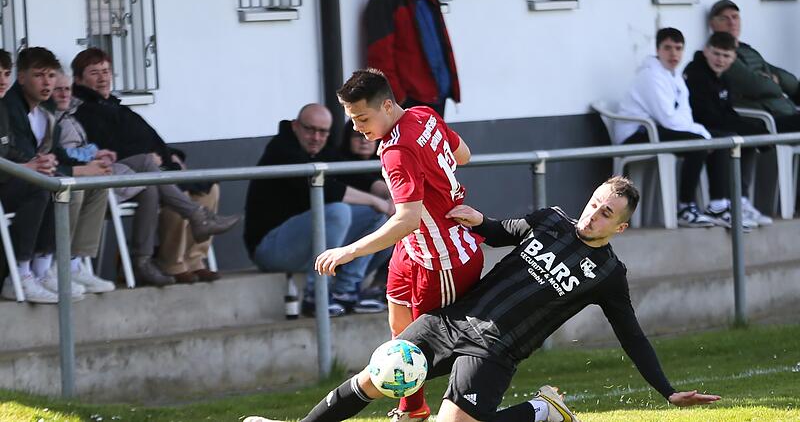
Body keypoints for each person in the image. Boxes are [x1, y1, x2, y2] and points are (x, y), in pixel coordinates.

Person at [248, 177, 721, 422]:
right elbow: (501, 232)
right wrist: (479, 220)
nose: (594, 215)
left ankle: (541, 412)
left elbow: (632, 336)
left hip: (494, 350)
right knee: (376, 376)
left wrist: (667, 390)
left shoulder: (609, 274)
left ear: (620, 227)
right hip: (449, 321)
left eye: (606, 214)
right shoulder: (551, 220)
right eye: (595, 203)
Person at [316, 69, 483, 421]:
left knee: (434, 347)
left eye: (362, 118)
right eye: (352, 120)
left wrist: (349, 251)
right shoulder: (424, 113)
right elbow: (464, 154)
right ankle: (413, 409)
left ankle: (477, 406)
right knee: (399, 333)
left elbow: (406, 218)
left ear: (387, 105)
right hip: (413, 248)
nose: (358, 128)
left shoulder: (395, 150)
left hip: (443, 257)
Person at [70, 48, 240, 286]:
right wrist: (149, 158)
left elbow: (152, 138)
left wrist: (172, 157)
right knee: (175, 191)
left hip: (152, 168)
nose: (103, 78)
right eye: (94, 73)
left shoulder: (117, 107)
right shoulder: (84, 112)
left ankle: (194, 259)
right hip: (122, 175)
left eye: (106, 71)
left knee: (208, 189)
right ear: (78, 80)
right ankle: (172, 261)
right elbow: (107, 148)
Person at [244, 103, 391, 317]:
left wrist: (386, 194)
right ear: (295, 126)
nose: (316, 137)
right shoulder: (282, 149)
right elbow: (329, 189)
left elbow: (351, 175)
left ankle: (344, 292)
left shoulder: (322, 147)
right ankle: (315, 296)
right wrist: (375, 200)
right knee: (337, 211)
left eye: (322, 132)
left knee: (382, 217)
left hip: (304, 244)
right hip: (269, 248)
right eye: (310, 129)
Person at [2, 47, 116, 301]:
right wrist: (77, 169)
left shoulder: (47, 110)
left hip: (34, 179)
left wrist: (89, 159)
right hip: (12, 183)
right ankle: (26, 271)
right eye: (39, 75)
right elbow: (20, 158)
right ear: (21, 78)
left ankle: (72, 263)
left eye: (51, 76)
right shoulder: (9, 108)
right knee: (55, 188)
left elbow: (53, 154)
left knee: (98, 183)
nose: (47, 83)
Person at [615, 28, 730, 229]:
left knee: (721, 140)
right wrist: (700, 135)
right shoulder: (650, 76)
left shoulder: (675, 76)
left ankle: (718, 205)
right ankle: (685, 208)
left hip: (656, 129)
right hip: (636, 134)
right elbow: (667, 118)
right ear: (657, 50)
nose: (673, 54)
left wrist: (701, 132)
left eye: (678, 48)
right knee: (698, 144)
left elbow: (684, 114)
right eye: (667, 48)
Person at [683, 31, 773, 227]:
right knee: (735, 137)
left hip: (717, 124)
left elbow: (726, 111)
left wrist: (751, 129)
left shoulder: (723, 78)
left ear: (733, 59)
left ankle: (740, 201)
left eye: (726, 56)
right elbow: (703, 114)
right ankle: (721, 204)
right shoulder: (696, 73)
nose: (720, 60)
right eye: (716, 54)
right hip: (698, 127)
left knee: (752, 136)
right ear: (706, 51)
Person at [0, 49, 61, 303]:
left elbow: (5, 149)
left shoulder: (2, 106)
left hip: (7, 180)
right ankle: (20, 276)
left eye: (5, 73)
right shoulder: (9, 106)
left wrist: (35, 163)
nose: (3, 80)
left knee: (56, 186)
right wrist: (28, 167)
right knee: (39, 187)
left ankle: (42, 268)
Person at [52, 70, 117, 293]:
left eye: (66, 89)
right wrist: (86, 164)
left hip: (69, 172)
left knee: (100, 185)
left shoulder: (71, 113)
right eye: (57, 89)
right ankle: (57, 263)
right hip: (49, 180)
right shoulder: (48, 116)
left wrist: (94, 155)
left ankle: (75, 263)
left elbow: (76, 148)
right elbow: (61, 154)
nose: (63, 94)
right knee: (74, 190)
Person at [365, 0, 459, 116]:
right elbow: (380, 58)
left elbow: (440, 44)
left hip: (437, 95)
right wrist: (399, 98)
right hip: (412, 101)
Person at [709, 0, 800, 130]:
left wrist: (776, 79)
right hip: (767, 119)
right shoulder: (721, 56)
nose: (732, 22)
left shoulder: (747, 50)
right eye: (724, 19)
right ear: (712, 24)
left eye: (735, 17)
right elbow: (757, 86)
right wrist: (773, 82)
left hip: (784, 110)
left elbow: (790, 81)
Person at [337, 120, 393, 299]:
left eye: (367, 135)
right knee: (379, 217)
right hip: (342, 237)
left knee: (396, 225)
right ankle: (346, 288)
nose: (364, 141)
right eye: (356, 136)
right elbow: (365, 181)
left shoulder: (386, 162)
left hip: (361, 249)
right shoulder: (339, 162)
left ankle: (381, 284)